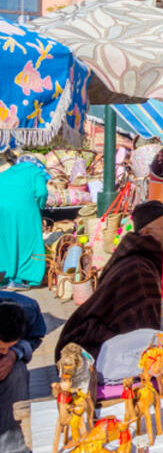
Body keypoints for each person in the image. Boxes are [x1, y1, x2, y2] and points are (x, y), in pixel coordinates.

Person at [57, 201, 163, 361]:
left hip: (134, 333)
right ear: (146, 233)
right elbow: (144, 326)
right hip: (99, 342)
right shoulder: (138, 268)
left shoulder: (154, 260)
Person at [0, 294, 43, 453]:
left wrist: (13, 354)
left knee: (16, 371)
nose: (3, 352)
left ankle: (12, 447)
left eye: (7, 347)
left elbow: (34, 338)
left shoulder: (28, 310)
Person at [0, 161, 49, 290]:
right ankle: (18, 279)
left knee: (5, 242)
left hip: (1, 209)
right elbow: (41, 193)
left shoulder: (5, 173)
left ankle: (4, 277)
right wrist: (40, 207)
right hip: (23, 209)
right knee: (26, 242)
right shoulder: (36, 171)